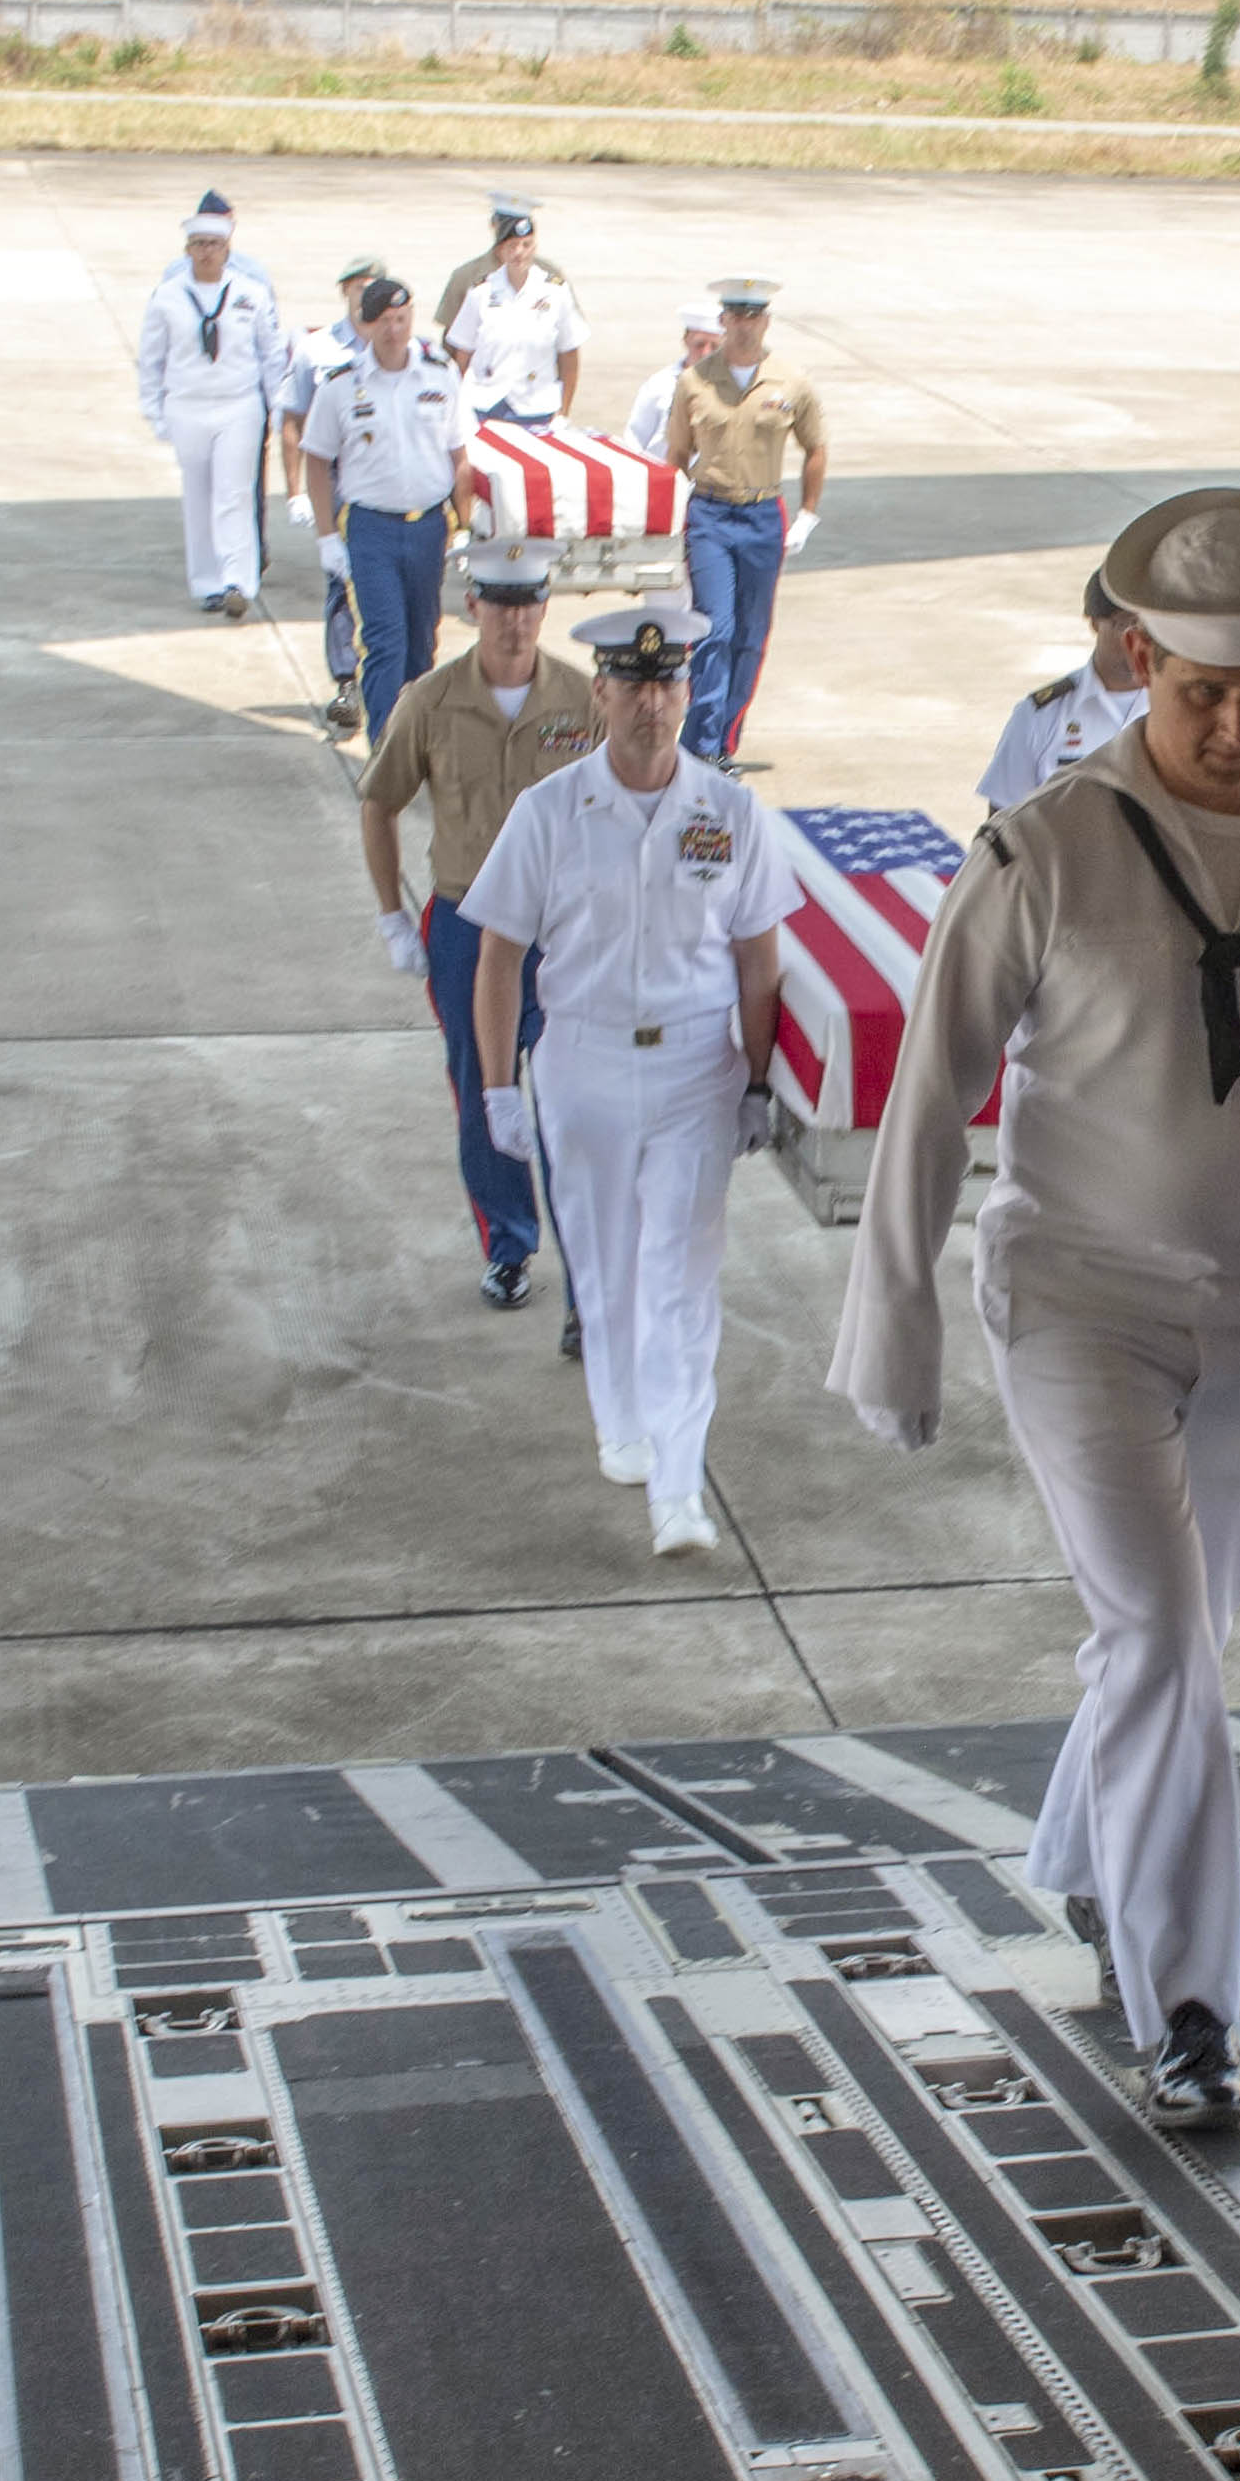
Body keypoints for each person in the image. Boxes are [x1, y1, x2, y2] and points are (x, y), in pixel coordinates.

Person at [836, 492, 1240, 2128]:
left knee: (1184, 1643)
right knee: (1160, 1637)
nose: (1234, 724)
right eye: (1202, 691)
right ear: (1139, 660)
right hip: (1077, 1295)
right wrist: (897, 1320)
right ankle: (1192, 2003)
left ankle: (1085, 1848)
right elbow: (932, 1083)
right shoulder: (1049, 845)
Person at [463, 603, 798, 1558]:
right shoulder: (550, 811)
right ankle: (622, 1423)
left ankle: (681, 1490)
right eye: (634, 685)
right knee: (606, 1268)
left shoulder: (729, 813)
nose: (653, 703)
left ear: (689, 694)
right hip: (584, 1060)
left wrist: (758, 1083)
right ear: (599, 692)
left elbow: (758, 960)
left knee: (682, 1280)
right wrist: (497, 1085)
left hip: (697, 1064)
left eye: (669, 684)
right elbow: (498, 957)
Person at [362, 538, 600, 1313]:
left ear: (544, 607)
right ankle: (507, 1244)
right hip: (466, 922)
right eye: (500, 604)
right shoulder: (429, 703)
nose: (515, 620)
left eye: (529, 603)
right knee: (484, 1087)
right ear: (472, 608)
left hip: (562, 926)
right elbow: (379, 801)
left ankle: (585, 1258)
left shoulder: (581, 698)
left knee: (571, 1089)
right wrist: (394, 915)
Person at [661, 279, 828, 764]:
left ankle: (726, 742)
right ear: (724, 321)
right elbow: (676, 452)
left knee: (751, 636)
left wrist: (807, 514)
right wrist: (673, 517)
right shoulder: (696, 381)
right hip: (710, 512)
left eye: (753, 315)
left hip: (762, 514)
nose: (744, 324)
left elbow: (815, 446)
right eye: (735, 315)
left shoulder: (790, 381)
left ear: (766, 321)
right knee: (715, 629)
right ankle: (701, 746)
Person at [300, 274, 469, 745]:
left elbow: (458, 456)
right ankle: (383, 751)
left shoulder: (439, 374)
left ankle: (416, 744)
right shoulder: (341, 386)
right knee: (384, 642)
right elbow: (317, 461)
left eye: (402, 318)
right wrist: (326, 537)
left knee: (421, 647)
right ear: (366, 324)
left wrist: (468, 526)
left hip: (429, 526)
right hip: (370, 528)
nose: (395, 331)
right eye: (385, 322)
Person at [137, 193, 294, 618]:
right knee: (200, 495)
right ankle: (206, 583)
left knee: (234, 493)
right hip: (187, 404)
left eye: (214, 244)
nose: (207, 252)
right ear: (188, 249)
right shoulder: (169, 295)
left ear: (228, 249)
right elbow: (151, 358)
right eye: (199, 244)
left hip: (238, 403)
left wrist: (276, 405)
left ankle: (238, 581)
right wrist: (154, 409)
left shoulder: (250, 292)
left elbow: (271, 354)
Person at [287, 249, 387, 735]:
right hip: (341, 488)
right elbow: (293, 421)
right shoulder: (317, 350)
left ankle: (394, 686)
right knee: (341, 585)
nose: (362, 295)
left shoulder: (405, 349)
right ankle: (347, 681)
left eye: (372, 287)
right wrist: (298, 492)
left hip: (391, 489)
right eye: (355, 286)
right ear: (343, 291)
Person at [975, 568, 1155, 813]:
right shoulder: (1040, 717)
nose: (1139, 639)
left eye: (1148, 626)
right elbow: (1002, 825)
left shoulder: (1179, 707)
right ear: (1094, 622)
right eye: (1127, 624)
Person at [444, 202, 587, 424]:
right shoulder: (481, 293)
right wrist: (457, 405)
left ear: (534, 247)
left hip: (537, 406)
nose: (519, 253)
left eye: (526, 245)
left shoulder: (556, 292)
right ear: (500, 250)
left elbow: (569, 355)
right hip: (485, 403)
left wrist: (564, 412)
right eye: (511, 246)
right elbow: (462, 354)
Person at [429, 192, 536, 362]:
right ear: (493, 225)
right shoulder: (465, 277)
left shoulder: (549, 276)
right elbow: (450, 343)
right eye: (506, 226)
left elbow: (566, 343)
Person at [624, 302, 722, 454]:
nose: (706, 353)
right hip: (663, 473)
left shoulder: (734, 386)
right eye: (699, 344)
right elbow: (634, 440)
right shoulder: (660, 384)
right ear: (686, 341)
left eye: (714, 346)